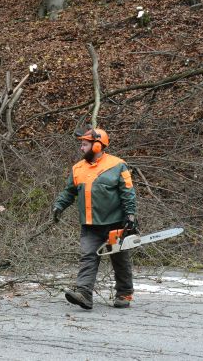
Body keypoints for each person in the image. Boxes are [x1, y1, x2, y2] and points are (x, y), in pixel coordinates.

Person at [52, 127, 138, 309]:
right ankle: (84, 294)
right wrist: (59, 206)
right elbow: (69, 192)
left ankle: (124, 293)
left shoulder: (117, 165)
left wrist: (130, 215)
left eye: (85, 145)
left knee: (120, 259)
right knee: (87, 257)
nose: (82, 148)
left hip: (115, 222)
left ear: (97, 146)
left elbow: (128, 192)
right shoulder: (78, 168)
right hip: (90, 224)